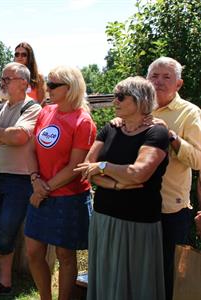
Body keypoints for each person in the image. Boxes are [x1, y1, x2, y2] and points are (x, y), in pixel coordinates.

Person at [111, 57, 201, 299]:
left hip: (169, 208)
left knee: (165, 275)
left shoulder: (189, 114)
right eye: (154, 76)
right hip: (132, 204)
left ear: (179, 84)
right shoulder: (135, 108)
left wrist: (171, 135)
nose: (159, 82)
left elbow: (199, 160)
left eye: (167, 77)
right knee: (136, 272)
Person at [75, 76, 169, 300]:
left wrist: (104, 166)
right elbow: (86, 169)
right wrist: (118, 184)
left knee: (135, 282)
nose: (114, 101)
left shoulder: (156, 133)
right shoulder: (110, 129)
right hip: (104, 216)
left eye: (120, 97)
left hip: (138, 222)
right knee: (106, 277)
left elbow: (139, 173)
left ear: (139, 100)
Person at [25, 66, 96, 300]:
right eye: (48, 83)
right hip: (41, 191)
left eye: (54, 85)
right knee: (33, 252)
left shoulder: (83, 121)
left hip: (68, 198)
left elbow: (75, 167)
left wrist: (42, 190)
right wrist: (35, 180)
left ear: (71, 88)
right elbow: (31, 149)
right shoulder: (46, 111)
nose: (48, 88)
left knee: (66, 256)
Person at [0, 62, 41, 299]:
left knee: (6, 231)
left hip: (19, 178)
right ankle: (5, 282)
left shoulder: (31, 108)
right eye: (2, 78)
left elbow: (19, 137)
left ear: (24, 83)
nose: (2, 82)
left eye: (8, 79)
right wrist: (3, 134)